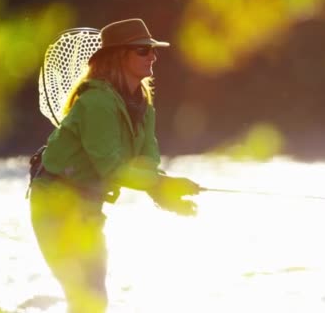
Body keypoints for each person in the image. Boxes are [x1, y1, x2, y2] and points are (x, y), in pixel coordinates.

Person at [27, 18, 202, 313]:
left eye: (152, 50)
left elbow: (146, 163)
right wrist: (161, 184)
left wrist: (165, 195)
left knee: (95, 298)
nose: (153, 57)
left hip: (88, 208)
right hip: (54, 206)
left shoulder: (143, 106)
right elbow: (112, 168)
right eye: (143, 50)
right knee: (85, 297)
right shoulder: (96, 103)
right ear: (119, 56)